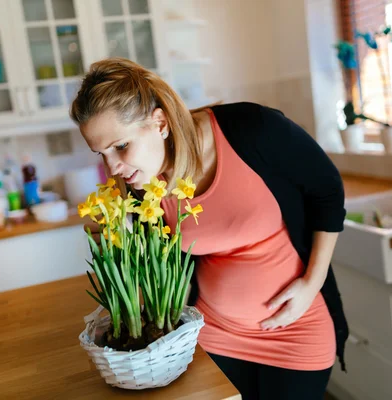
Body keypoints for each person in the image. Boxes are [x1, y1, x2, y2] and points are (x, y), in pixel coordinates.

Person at [71, 57, 348, 400]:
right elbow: (160, 272)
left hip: (297, 330)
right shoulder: (141, 185)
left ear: (159, 123)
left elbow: (327, 190)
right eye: (101, 154)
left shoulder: (252, 129)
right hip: (214, 335)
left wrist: (311, 283)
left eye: (121, 146)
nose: (112, 167)